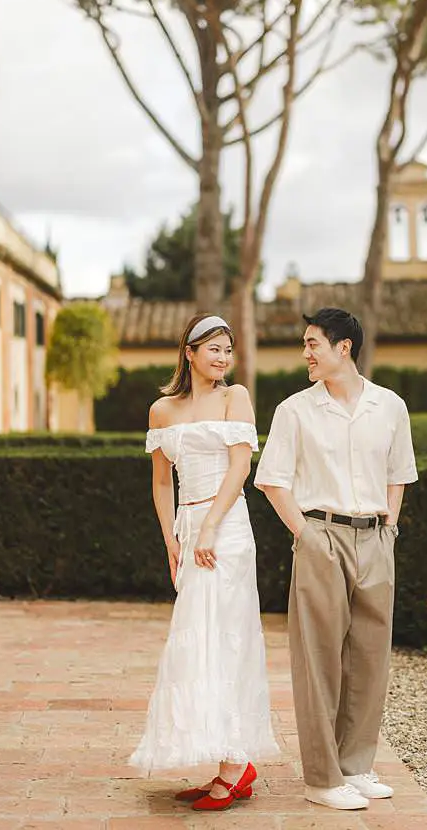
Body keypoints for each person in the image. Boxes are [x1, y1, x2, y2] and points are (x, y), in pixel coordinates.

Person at [253, 307, 417, 812]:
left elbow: (400, 471)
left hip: (375, 539)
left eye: (312, 344)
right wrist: (306, 534)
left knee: (370, 658)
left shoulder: (390, 406)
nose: (305, 353)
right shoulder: (294, 410)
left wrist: (389, 525)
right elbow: (272, 480)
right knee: (319, 661)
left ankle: (355, 767)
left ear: (343, 347)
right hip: (321, 533)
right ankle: (322, 778)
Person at [130, 313, 280, 811]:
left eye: (227, 350)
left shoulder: (234, 398)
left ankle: (236, 765)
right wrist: (172, 540)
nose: (222, 358)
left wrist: (212, 526)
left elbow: (241, 464)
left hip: (228, 528)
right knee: (198, 643)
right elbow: (158, 482)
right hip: (188, 528)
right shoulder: (161, 411)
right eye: (213, 348)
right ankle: (225, 758)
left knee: (227, 636)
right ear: (189, 352)